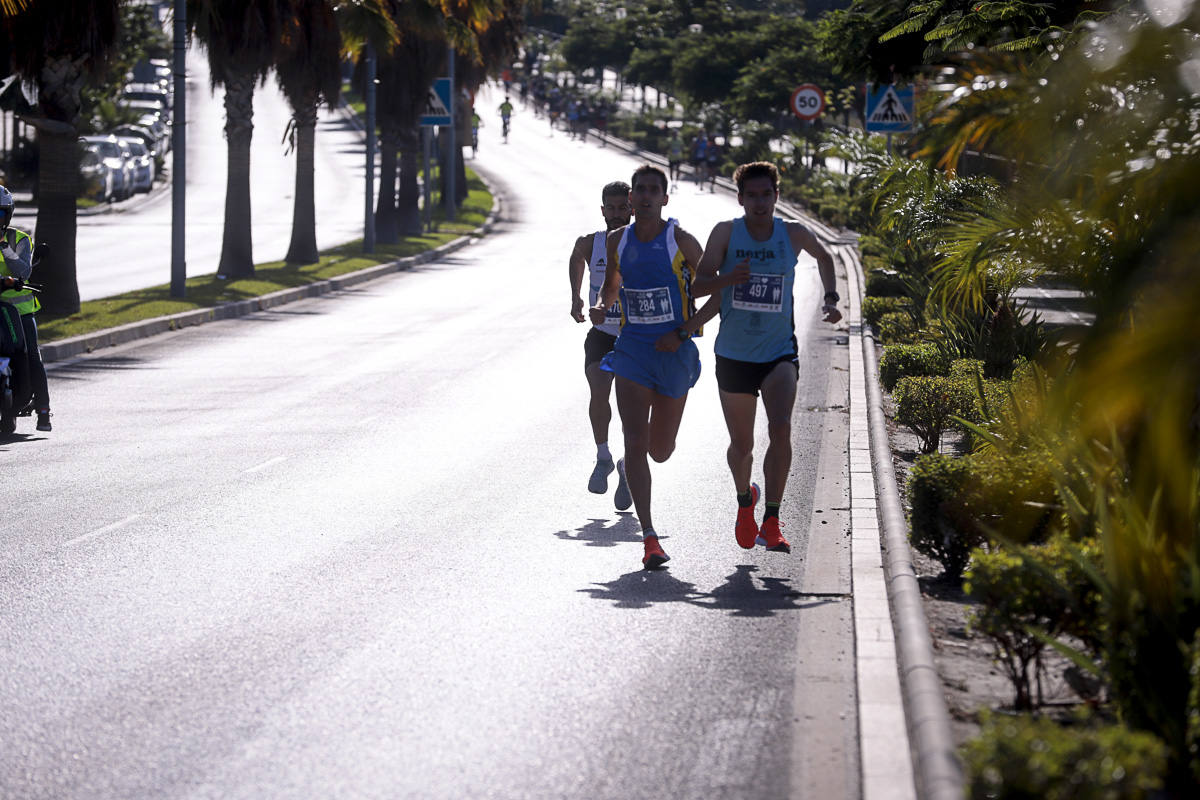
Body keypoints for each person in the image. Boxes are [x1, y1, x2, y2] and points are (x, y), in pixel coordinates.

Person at [689, 161, 841, 554]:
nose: (759, 202)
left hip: (778, 353)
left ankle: (772, 519)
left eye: (766, 194)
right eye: (751, 196)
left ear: (777, 195)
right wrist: (728, 279)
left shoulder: (792, 234)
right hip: (734, 355)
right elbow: (698, 286)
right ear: (740, 199)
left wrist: (830, 299)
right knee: (741, 445)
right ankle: (745, 504)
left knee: (782, 428)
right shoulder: (726, 233)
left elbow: (826, 257)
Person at [590, 165, 711, 569]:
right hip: (632, 352)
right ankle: (649, 538)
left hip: (673, 354)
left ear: (664, 197)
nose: (643, 196)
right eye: (638, 190)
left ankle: (635, 466)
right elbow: (613, 284)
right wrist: (603, 306)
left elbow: (716, 291)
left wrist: (684, 332)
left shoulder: (680, 240)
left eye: (651, 190)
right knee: (635, 441)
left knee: (660, 451)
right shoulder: (616, 240)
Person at [569, 181, 634, 510]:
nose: (616, 213)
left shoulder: (644, 243)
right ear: (602, 210)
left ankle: (628, 465)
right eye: (610, 208)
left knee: (630, 408)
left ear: (632, 208)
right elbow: (576, 256)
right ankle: (604, 456)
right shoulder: (591, 242)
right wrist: (576, 296)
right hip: (602, 333)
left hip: (635, 338)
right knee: (598, 389)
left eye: (622, 207)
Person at [0, 185, 51, 434]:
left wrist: (3, 246)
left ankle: (43, 409)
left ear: (8, 215)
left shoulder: (19, 239)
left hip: (19, 312)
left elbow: (24, 271)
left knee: (32, 354)